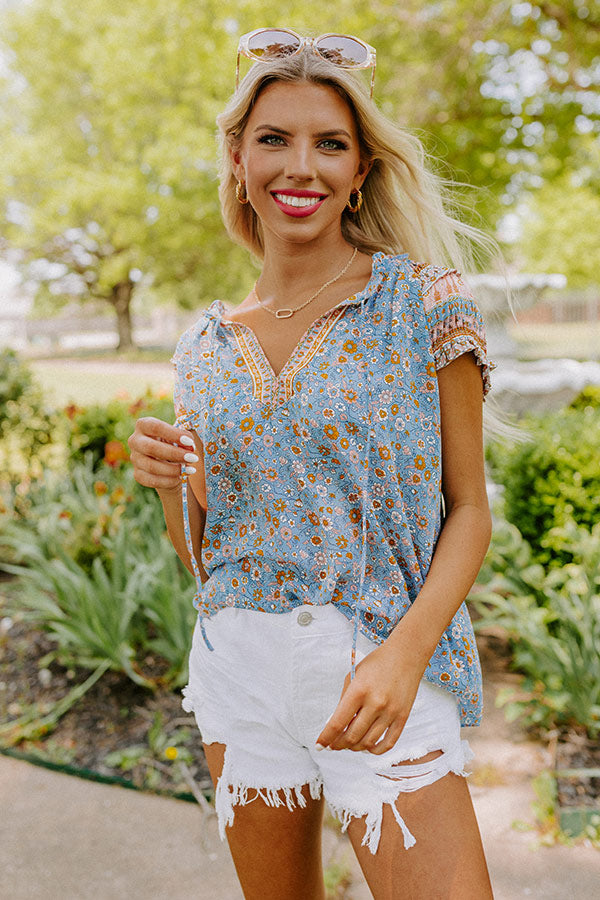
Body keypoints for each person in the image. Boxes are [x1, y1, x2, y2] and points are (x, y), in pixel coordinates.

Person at [128, 28, 495, 899]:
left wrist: (405, 658)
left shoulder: (421, 302)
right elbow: (210, 556)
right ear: (238, 157)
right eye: (274, 139)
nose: (302, 167)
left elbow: (470, 508)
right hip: (239, 673)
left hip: (384, 671)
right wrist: (168, 485)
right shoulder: (205, 345)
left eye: (330, 144)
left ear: (362, 169)